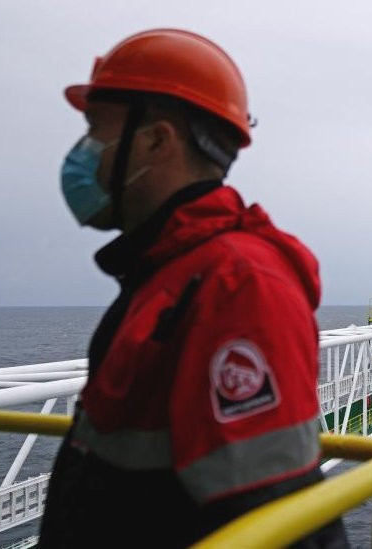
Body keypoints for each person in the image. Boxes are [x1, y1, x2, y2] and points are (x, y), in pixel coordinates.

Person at [39, 29, 347, 548]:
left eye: (96, 132)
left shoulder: (237, 285)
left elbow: (283, 527)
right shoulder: (169, 273)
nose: (83, 155)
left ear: (157, 140)